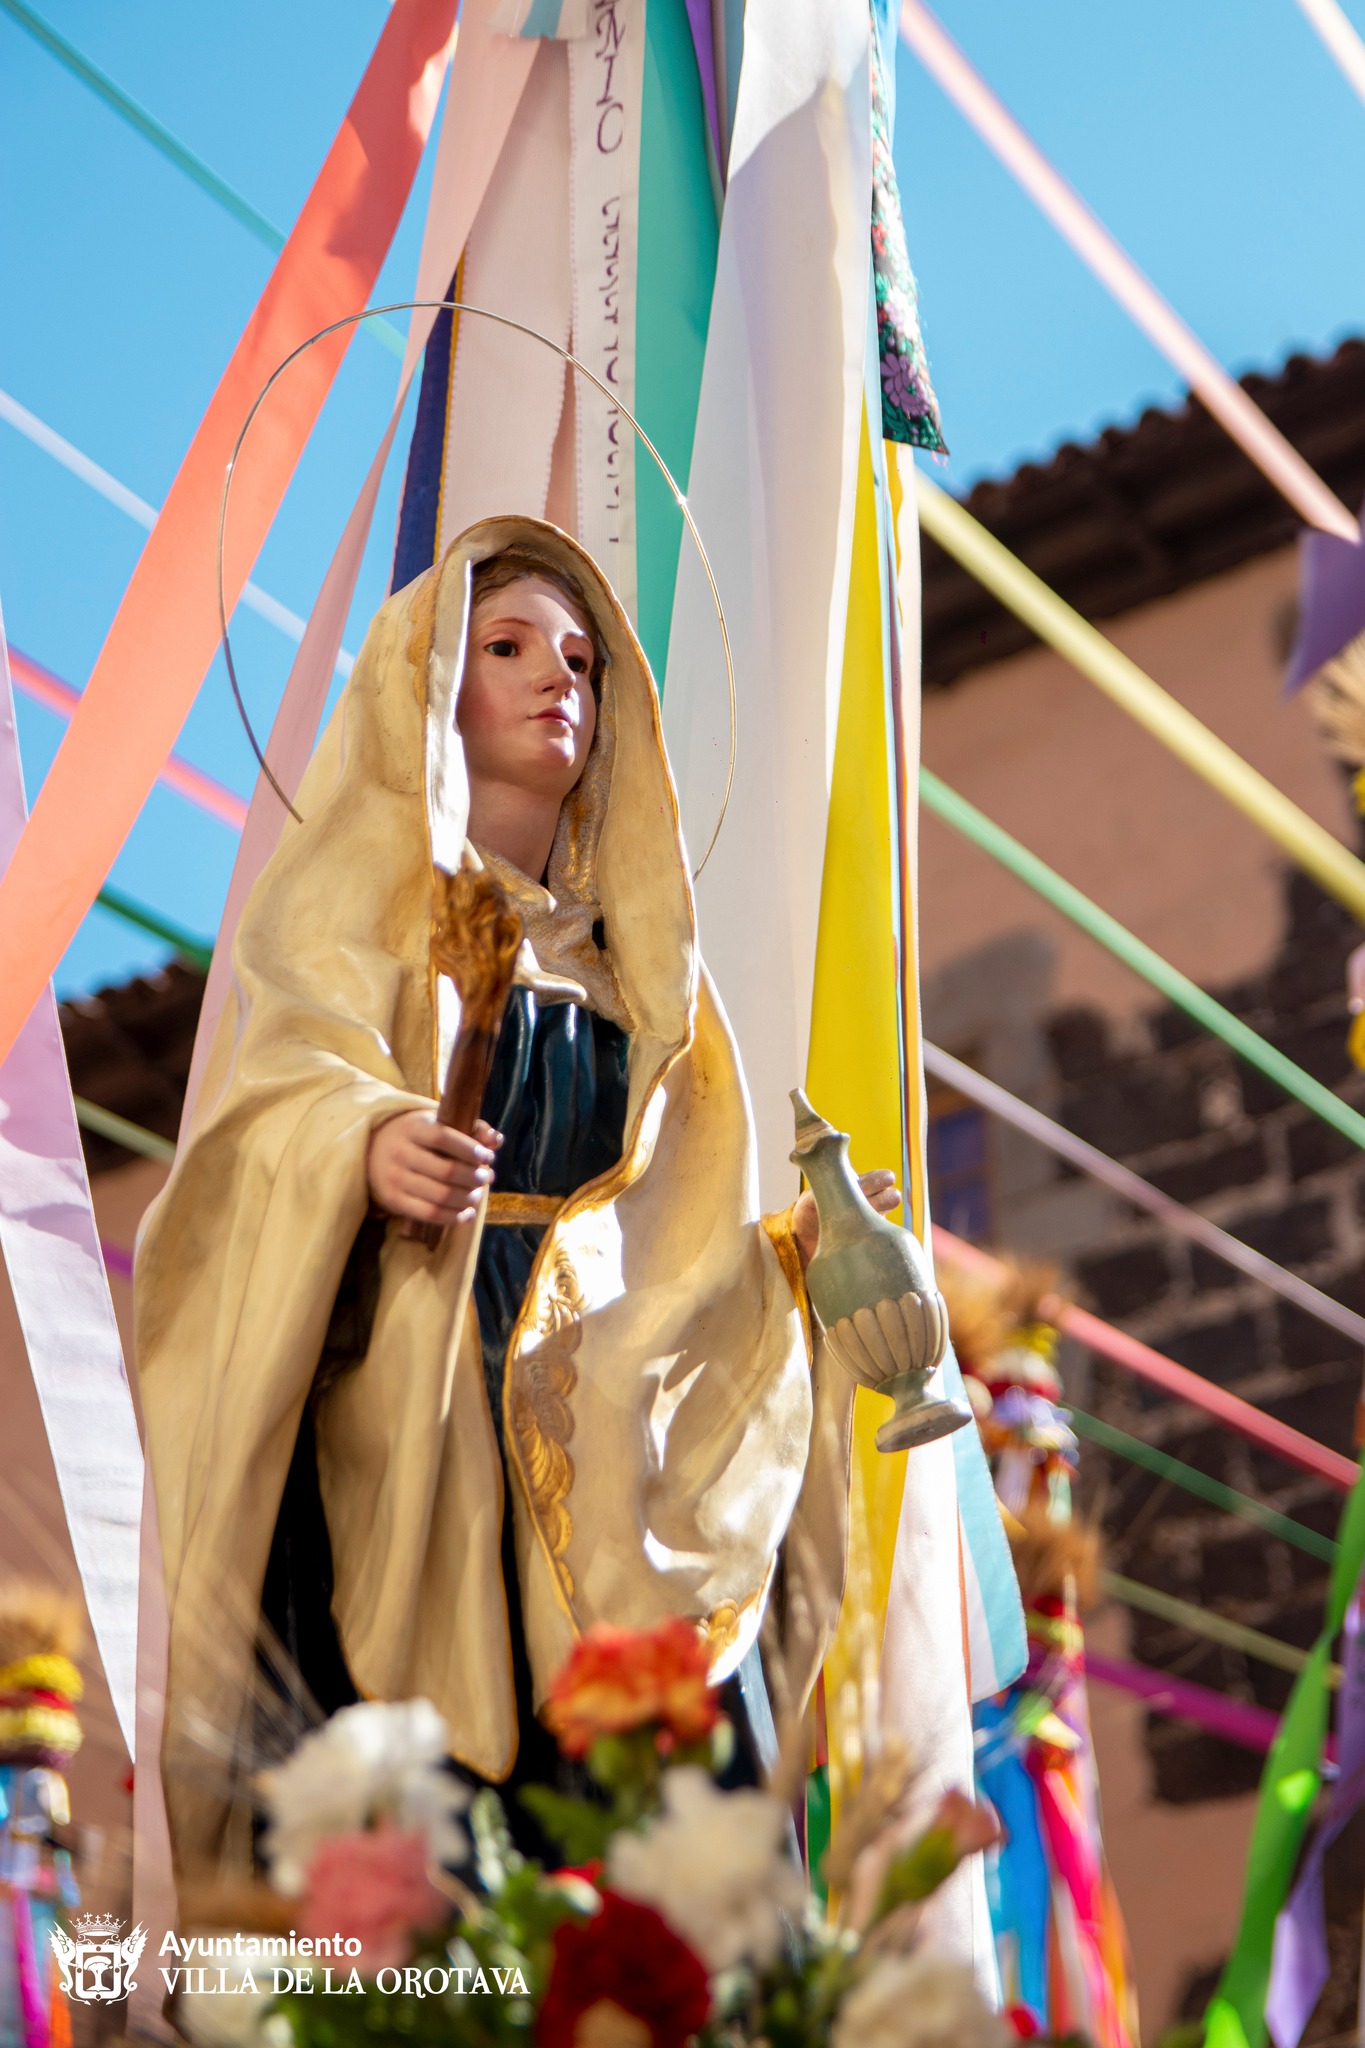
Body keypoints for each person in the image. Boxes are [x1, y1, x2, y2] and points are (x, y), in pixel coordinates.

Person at [134, 516, 897, 1879]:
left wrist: (799, 1260)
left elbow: (669, 1237)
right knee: (437, 1827)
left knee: (668, 1832)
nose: (558, 679)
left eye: (583, 661)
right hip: (424, 1411)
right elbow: (256, 1138)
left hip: (610, 1435)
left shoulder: (645, 980)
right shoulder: (357, 922)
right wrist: (367, 1144)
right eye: (507, 648)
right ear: (427, 689)